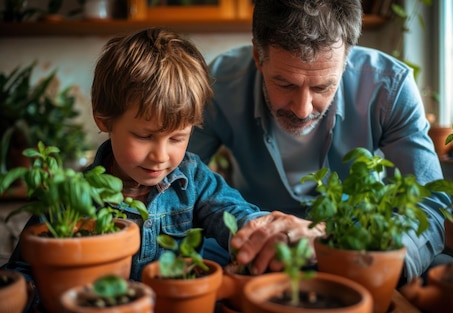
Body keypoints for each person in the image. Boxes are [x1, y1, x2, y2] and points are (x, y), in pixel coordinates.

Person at [1, 27, 322, 311]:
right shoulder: (72, 196)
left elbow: (234, 213)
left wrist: (261, 230)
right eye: (144, 136)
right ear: (104, 119)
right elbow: (26, 272)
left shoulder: (193, 180)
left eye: (177, 138)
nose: (160, 155)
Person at [188, 0, 453, 285]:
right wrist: (246, 227)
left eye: (322, 86)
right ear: (258, 56)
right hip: (255, 242)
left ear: (346, 60)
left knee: (441, 269)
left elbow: (431, 206)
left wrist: (333, 241)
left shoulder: (390, 87)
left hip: (353, 247)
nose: (303, 109)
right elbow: (177, 175)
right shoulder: (220, 84)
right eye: (285, 84)